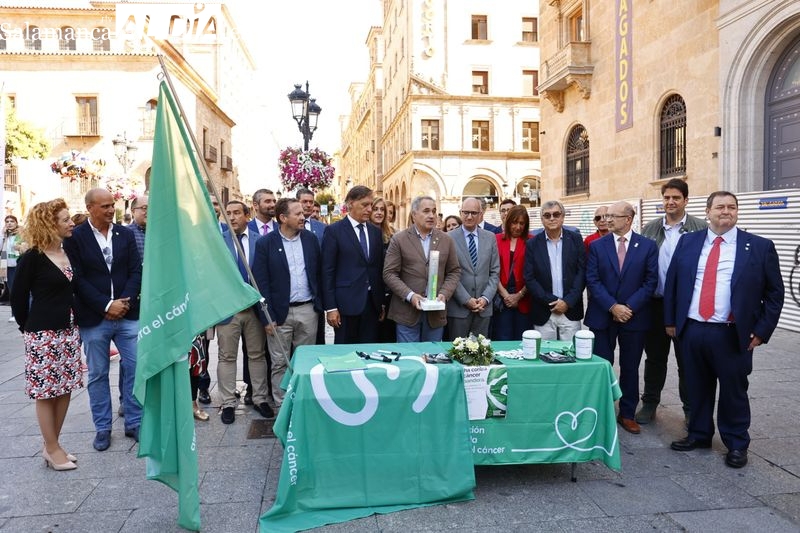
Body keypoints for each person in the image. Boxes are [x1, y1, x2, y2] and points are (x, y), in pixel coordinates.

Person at [665, 191, 784, 469]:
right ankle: (699, 434)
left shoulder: (759, 246)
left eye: (732, 207)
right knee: (696, 386)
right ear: (708, 212)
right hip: (693, 330)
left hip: (733, 333)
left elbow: (774, 294)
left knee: (734, 390)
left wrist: (761, 331)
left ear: (737, 212)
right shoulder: (688, 242)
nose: (726, 211)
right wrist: (671, 321)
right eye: (720, 207)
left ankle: (737, 443)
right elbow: (673, 283)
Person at [63, 188, 142, 451]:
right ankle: (103, 428)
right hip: (94, 318)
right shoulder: (76, 237)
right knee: (97, 374)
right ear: (90, 208)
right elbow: (78, 279)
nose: (111, 210)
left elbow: (135, 271)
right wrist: (106, 305)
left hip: (128, 315)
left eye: (112, 205)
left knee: (135, 367)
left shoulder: (125, 234)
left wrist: (123, 302)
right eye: (105, 206)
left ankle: (135, 421)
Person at [11, 199, 82, 470]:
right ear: (50, 224)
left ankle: (53, 445)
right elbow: (18, 299)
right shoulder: (33, 257)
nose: (71, 223)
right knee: (46, 392)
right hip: (43, 334)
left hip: (69, 331)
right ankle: (52, 448)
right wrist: (28, 328)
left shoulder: (67, 252)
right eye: (65, 220)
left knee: (65, 388)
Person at [636, 179, 707, 425]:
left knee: (687, 360)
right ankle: (650, 403)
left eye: (676, 197)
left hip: (686, 306)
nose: (670, 202)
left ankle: (690, 409)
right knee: (655, 358)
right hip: (655, 304)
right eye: (666, 197)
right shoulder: (650, 228)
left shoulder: (700, 228)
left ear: (686, 200)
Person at [584, 201, 658, 435]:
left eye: (613, 216)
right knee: (601, 365)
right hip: (602, 315)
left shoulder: (647, 246)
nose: (607, 220)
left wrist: (629, 307)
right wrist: (613, 306)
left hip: (634, 318)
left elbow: (650, 281)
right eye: (606, 216)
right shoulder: (597, 246)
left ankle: (627, 413)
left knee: (630, 367)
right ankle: (601, 410)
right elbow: (592, 280)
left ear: (628, 219)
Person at [253, 198, 321, 407]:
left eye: (302, 213)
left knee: (305, 361)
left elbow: (318, 273)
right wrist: (267, 317)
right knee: (280, 363)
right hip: (279, 315)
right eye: (297, 214)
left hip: (307, 310)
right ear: (283, 218)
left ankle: (302, 401)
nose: (303, 217)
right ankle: (282, 405)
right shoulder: (265, 243)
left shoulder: (310, 239)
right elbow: (261, 283)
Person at [217, 200, 272, 423]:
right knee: (226, 356)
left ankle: (260, 398)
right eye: (228, 213)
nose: (232, 217)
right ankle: (228, 403)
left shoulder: (261, 241)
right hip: (229, 310)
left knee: (257, 355)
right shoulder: (217, 242)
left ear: (247, 215)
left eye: (237, 213)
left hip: (254, 310)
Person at [383, 196, 461, 342]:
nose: (431, 215)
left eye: (434, 211)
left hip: (435, 314)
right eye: (426, 211)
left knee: (432, 354)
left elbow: (454, 271)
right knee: (410, 355)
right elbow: (389, 273)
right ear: (414, 214)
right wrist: (410, 295)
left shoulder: (446, 240)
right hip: (407, 313)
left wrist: (444, 294)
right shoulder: (399, 239)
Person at [322, 185, 385, 344]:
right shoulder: (334, 231)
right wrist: (331, 307)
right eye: (365, 205)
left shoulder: (375, 232)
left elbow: (378, 269)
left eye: (371, 205)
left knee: (369, 352)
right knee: (346, 353)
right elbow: (327, 271)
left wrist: (381, 302)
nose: (369, 209)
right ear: (350, 204)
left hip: (372, 305)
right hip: (345, 305)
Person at [524, 201, 585, 341]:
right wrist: (551, 301)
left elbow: (581, 273)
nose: (552, 218)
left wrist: (567, 302)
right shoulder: (532, 243)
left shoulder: (575, 239)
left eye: (556, 214)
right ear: (542, 219)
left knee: (570, 352)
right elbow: (529, 277)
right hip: (544, 311)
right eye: (547, 215)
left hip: (570, 310)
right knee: (545, 352)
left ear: (562, 217)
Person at [446, 197, 500, 339]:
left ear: (481, 214)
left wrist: (485, 298)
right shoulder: (449, 238)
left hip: (483, 308)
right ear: (460, 213)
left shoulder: (490, 237)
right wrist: (466, 299)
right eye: (466, 212)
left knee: (481, 349)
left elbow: (494, 272)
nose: (469, 217)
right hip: (458, 309)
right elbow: (448, 273)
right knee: (457, 349)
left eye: (474, 213)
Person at [494, 206, 532, 340]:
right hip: (501, 298)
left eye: (522, 223)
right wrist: (506, 296)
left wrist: (519, 296)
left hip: (525, 297)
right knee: (502, 338)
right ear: (508, 222)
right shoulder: (496, 239)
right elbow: (492, 270)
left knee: (523, 338)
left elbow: (534, 273)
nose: (518, 227)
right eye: (514, 223)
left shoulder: (532, 241)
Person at [370, 196, 396, 342]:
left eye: (382, 210)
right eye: (375, 209)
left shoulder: (392, 235)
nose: (379, 213)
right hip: (371, 292)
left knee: (388, 334)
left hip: (389, 291)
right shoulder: (364, 234)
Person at [2, 215, 22, 321]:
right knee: (12, 291)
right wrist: (3, 235)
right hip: (8, 266)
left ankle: (25, 312)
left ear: (16, 223)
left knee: (22, 290)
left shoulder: (22, 233)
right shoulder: (5, 235)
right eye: (7, 221)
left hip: (20, 265)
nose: (9, 223)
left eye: (12, 221)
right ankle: (14, 314)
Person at [128, 195, 148, 261]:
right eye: (144, 208)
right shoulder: (126, 233)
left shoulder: (159, 233)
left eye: (152, 208)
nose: (149, 211)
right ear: (133, 211)